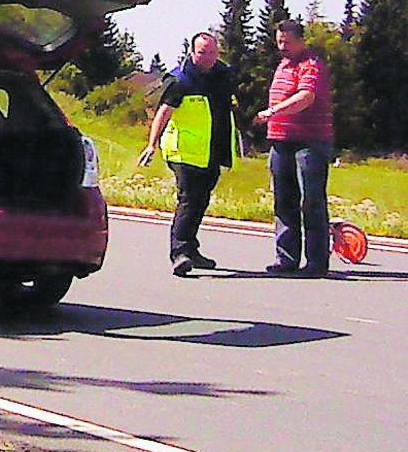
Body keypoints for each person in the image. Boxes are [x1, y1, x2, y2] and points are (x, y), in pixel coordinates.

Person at [139, 32, 236, 277]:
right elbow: (163, 112)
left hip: (211, 151)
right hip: (183, 151)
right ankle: (179, 253)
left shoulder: (223, 76)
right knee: (189, 200)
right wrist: (151, 145)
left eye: (212, 52)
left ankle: (192, 250)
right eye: (202, 52)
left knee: (201, 200)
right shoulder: (180, 79)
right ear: (192, 52)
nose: (208, 57)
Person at [255, 20, 335, 277]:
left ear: (301, 40)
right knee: (284, 200)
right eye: (279, 42)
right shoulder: (283, 65)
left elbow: (305, 97)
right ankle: (286, 258)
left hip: (309, 142)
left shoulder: (311, 64)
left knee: (311, 201)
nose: (283, 47)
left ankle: (316, 263)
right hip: (280, 141)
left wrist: (274, 111)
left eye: (288, 42)